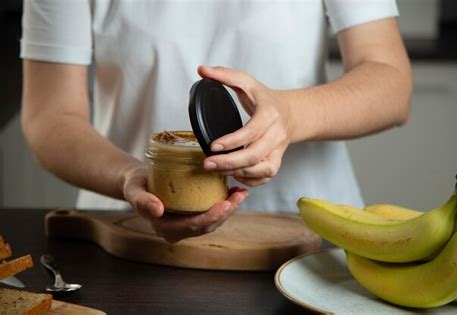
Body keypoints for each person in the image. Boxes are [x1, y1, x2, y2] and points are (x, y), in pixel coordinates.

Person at [20, 0, 412, 243]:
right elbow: (51, 116)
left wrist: (289, 117)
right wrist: (129, 177)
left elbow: (391, 83)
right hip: (129, 230)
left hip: (309, 232)